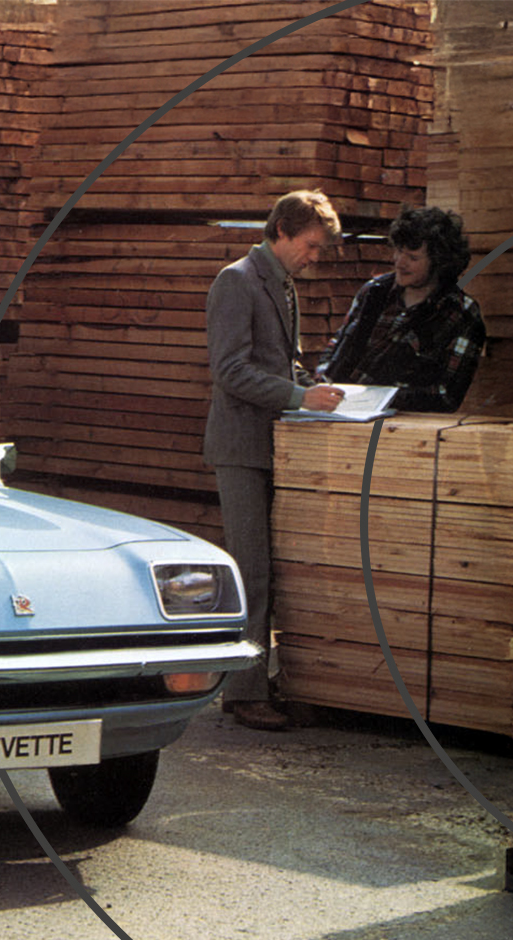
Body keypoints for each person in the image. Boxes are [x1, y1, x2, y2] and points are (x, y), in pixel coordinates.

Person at [203, 190, 345, 732]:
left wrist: (319, 388)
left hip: (278, 446)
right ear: (281, 231)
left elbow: (283, 364)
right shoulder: (235, 281)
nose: (315, 257)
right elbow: (231, 371)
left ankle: (264, 680)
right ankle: (242, 693)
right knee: (252, 571)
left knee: (273, 568)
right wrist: (297, 397)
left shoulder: (282, 284)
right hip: (241, 447)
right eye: (310, 245)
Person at [316, 207, 487, 412]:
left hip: (397, 427)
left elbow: (446, 396)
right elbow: (335, 347)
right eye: (398, 251)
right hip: (337, 415)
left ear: (439, 263)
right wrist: (322, 380)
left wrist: (379, 398)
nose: (400, 262)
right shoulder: (374, 292)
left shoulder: (461, 313)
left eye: (413, 258)